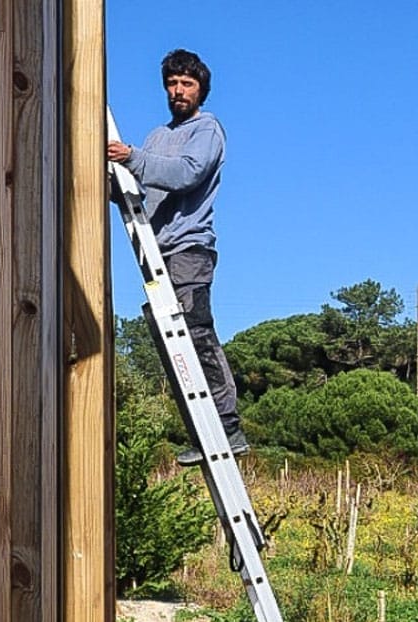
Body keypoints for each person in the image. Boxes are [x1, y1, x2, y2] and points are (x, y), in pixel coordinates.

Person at [108, 48, 247, 465]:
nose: (178, 91)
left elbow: (186, 173)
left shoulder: (207, 130)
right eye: (172, 84)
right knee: (171, 346)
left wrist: (131, 157)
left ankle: (227, 426)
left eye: (186, 84)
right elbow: (136, 189)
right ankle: (201, 432)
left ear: (201, 89)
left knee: (195, 333)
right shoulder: (156, 136)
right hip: (155, 251)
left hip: (189, 248)